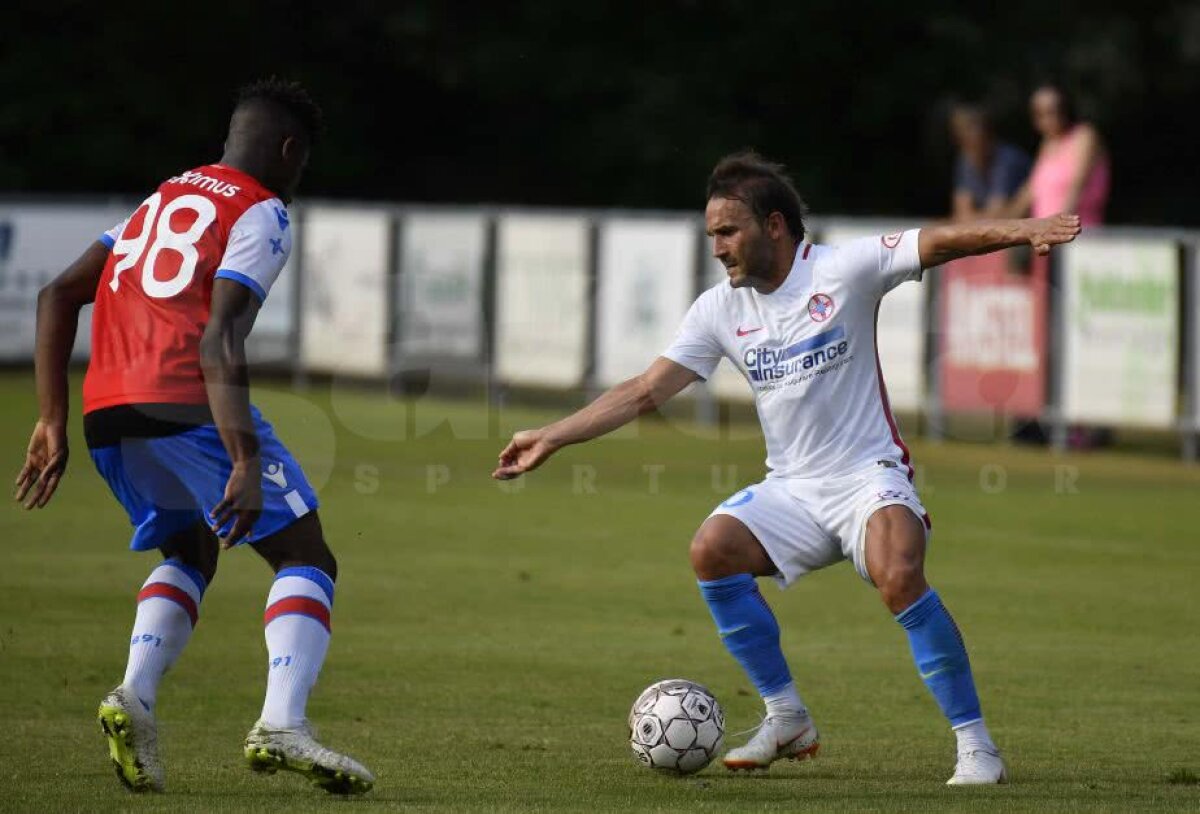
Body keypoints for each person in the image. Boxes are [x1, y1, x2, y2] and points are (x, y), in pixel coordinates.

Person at [494, 152, 1080, 785]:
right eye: (711, 235)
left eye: (727, 231)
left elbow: (938, 242)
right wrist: (551, 436)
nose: (717, 248)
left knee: (899, 573)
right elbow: (643, 392)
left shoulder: (843, 269)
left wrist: (1023, 228)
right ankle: (786, 715)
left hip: (868, 478)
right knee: (712, 549)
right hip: (793, 491)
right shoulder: (719, 310)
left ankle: (976, 747)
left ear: (774, 225)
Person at [13, 79, 374, 795]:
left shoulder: (160, 199)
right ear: (289, 150)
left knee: (190, 546)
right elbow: (220, 336)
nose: (297, 181)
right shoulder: (260, 209)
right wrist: (243, 457)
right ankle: (281, 724)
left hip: (106, 410)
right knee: (306, 553)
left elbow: (58, 293)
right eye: (301, 167)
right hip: (185, 404)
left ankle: (134, 696)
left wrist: (50, 417)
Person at [1009, 84, 1110, 225]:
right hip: (1045, 235)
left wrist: (1059, 227)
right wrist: (1005, 223)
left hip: (1076, 233)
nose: (1047, 119)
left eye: (1053, 111)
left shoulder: (1084, 136)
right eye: (1040, 114)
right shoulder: (1048, 143)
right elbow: (1031, 189)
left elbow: (1077, 185)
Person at [949, 104, 1031, 221]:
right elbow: (962, 210)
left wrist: (969, 219)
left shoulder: (1009, 160)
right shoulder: (965, 159)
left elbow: (997, 215)